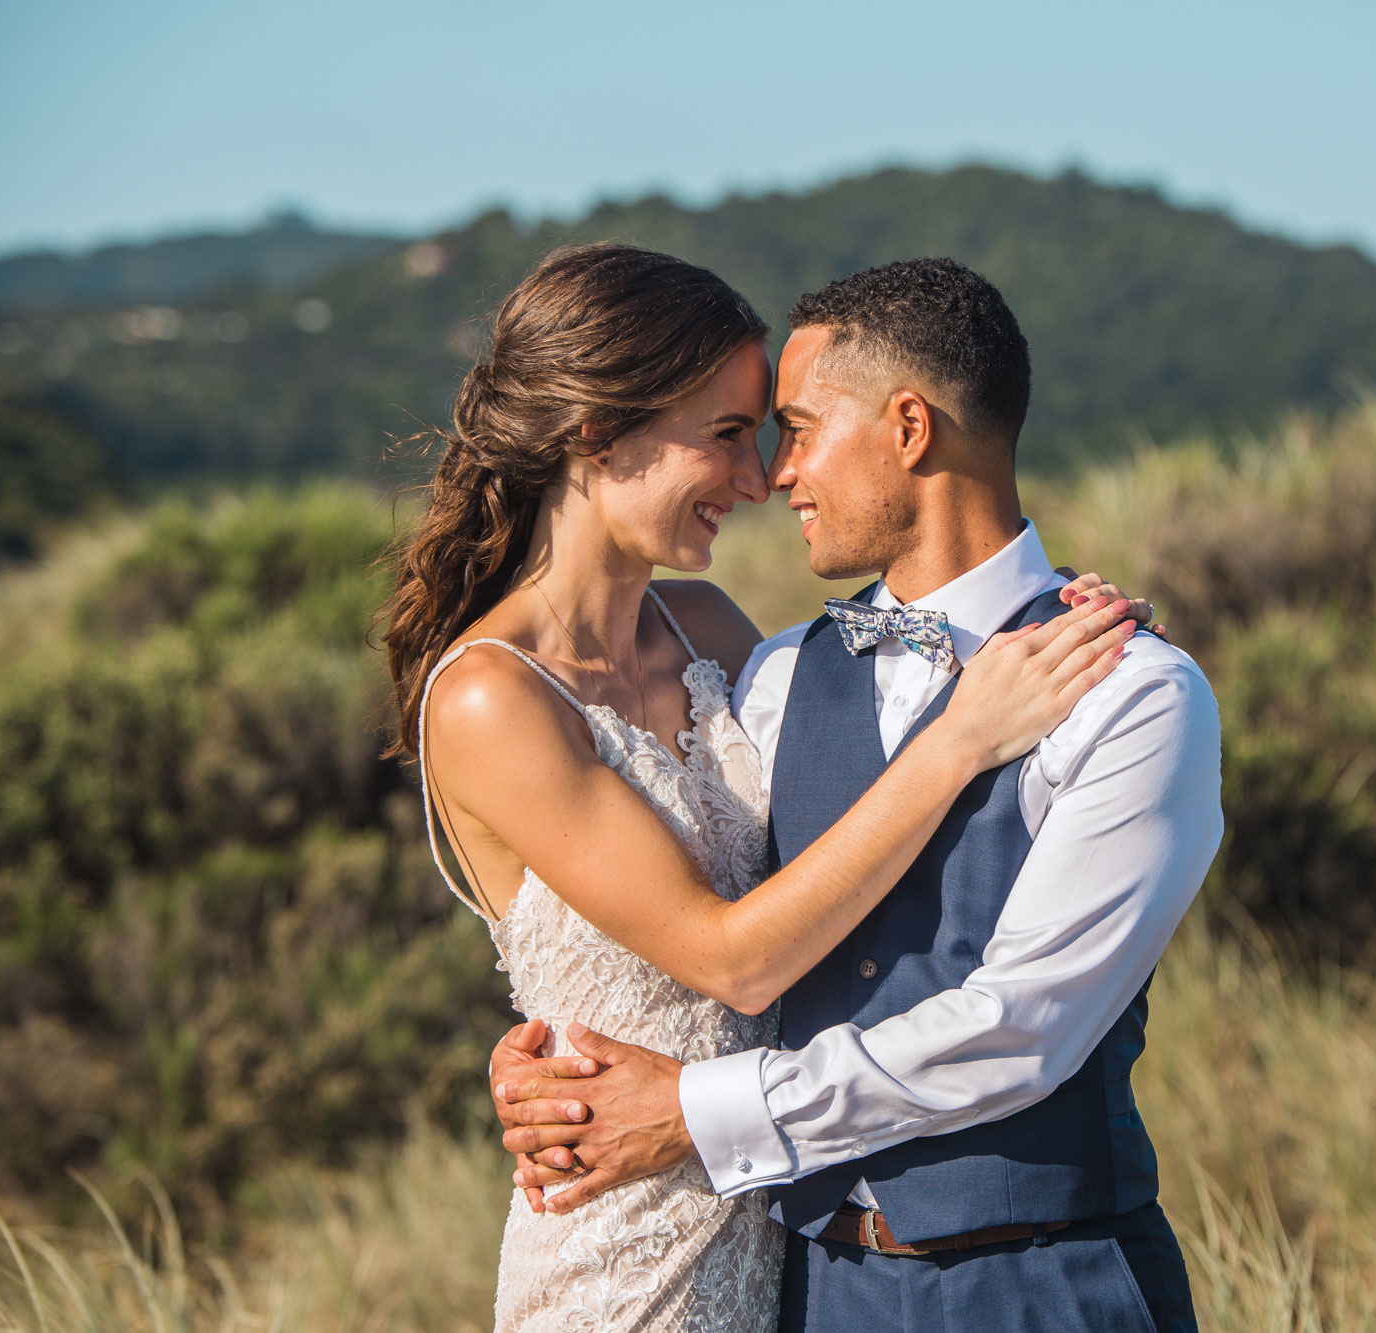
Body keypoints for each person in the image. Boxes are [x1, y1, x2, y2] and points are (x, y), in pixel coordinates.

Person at [378, 244, 1142, 1332]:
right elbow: (732, 957)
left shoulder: (714, 633)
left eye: (769, 438)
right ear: (600, 435)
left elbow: (838, 811)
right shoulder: (489, 699)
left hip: (785, 1228)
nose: (755, 481)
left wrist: (1048, 614)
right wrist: (963, 732)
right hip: (623, 1241)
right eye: (729, 436)